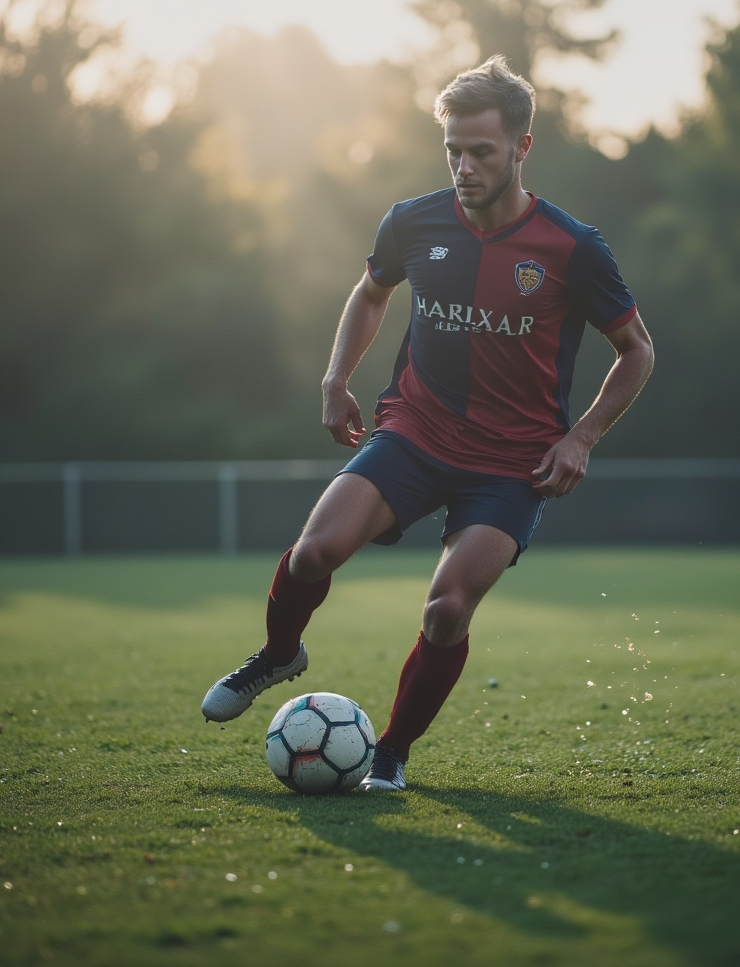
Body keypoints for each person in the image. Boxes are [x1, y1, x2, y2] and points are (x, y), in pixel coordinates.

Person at [201, 55, 654, 791]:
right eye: (453, 151)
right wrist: (336, 378)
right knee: (313, 553)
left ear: (522, 147)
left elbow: (637, 351)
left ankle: (392, 750)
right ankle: (279, 655)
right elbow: (371, 292)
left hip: (511, 463)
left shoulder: (573, 248)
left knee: (446, 610)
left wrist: (582, 437)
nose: (464, 166)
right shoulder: (414, 221)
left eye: (481, 151)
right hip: (414, 430)